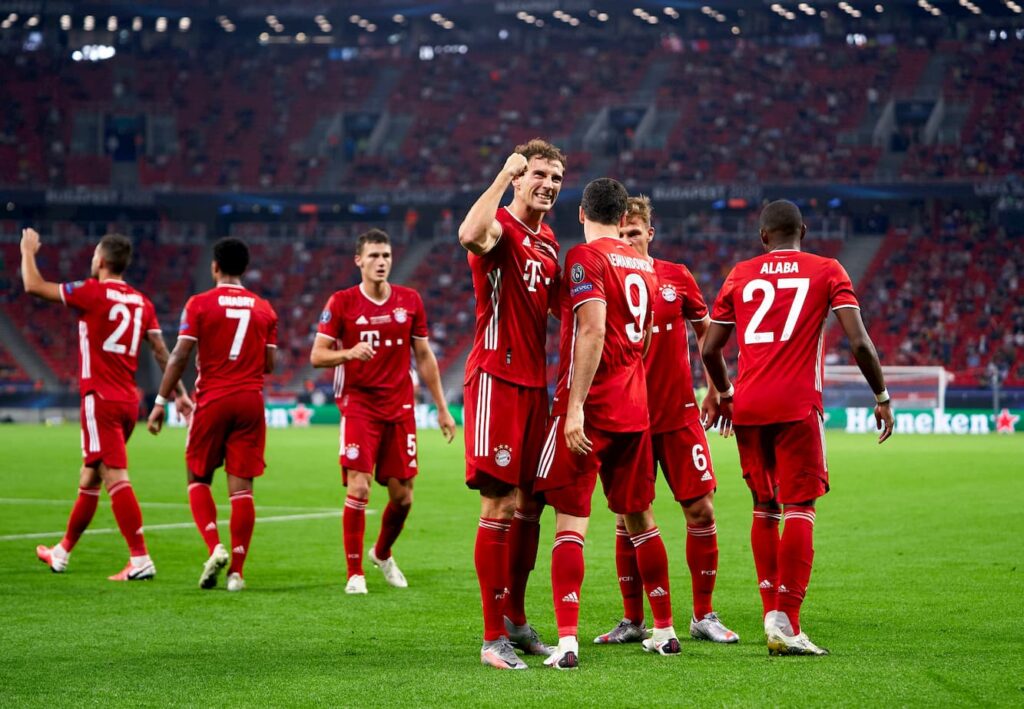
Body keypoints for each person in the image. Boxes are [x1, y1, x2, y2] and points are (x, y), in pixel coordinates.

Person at [702, 200, 894, 656]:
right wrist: (882, 396)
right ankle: (787, 621)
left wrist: (725, 392)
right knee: (800, 507)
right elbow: (860, 343)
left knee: (764, 507)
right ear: (803, 231)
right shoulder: (827, 270)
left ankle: (772, 613)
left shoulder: (740, 273)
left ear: (763, 236)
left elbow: (710, 349)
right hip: (797, 405)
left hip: (749, 406)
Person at [534, 178, 680, 670]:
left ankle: (567, 642)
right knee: (641, 519)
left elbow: (592, 329)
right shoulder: (644, 264)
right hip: (635, 408)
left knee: (570, 521)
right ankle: (665, 629)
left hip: (593, 408)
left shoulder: (584, 258)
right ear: (623, 219)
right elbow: (640, 337)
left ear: (581, 214)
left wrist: (575, 406)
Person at [594, 196, 738, 646]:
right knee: (628, 517)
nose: (626, 240)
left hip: (678, 415)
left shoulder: (677, 277)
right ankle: (633, 619)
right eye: (620, 233)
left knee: (701, 508)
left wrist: (714, 388)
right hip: (627, 417)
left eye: (634, 232)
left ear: (649, 234)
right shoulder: (604, 281)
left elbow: (707, 333)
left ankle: (703, 615)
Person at [20, 228, 191, 581]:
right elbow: (162, 352)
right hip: (128, 401)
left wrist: (27, 252)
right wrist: (180, 393)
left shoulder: (91, 291)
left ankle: (140, 559)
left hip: (100, 399)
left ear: (100, 260)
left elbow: (33, 286)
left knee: (115, 476)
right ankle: (61, 553)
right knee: (90, 476)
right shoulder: (142, 302)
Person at [457, 139, 565, 669]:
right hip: (495, 382)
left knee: (531, 504)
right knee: (498, 504)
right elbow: (468, 235)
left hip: (533, 388)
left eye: (556, 178)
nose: (548, 184)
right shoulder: (499, 226)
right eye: (539, 174)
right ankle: (491, 637)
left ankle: (517, 621)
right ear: (521, 178)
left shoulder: (549, 242)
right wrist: (504, 174)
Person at [311, 229, 455, 595]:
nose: (381, 262)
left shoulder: (409, 300)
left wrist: (441, 408)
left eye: (386, 256)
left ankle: (382, 552)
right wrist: (348, 352)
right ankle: (354, 573)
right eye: (374, 256)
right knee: (359, 487)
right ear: (358, 260)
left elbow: (424, 356)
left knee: (403, 497)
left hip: (400, 408)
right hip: (359, 405)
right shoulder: (342, 302)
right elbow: (317, 355)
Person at [147, 237, 277, 592]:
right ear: (245, 269)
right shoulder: (265, 309)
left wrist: (161, 401)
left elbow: (179, 355)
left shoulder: (200, 304)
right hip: (251, 401)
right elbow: (269, 364)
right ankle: (237, 573)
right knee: (242, 488)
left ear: (214, 267)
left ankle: (214, 546)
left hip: (214, 399)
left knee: (197, 475)